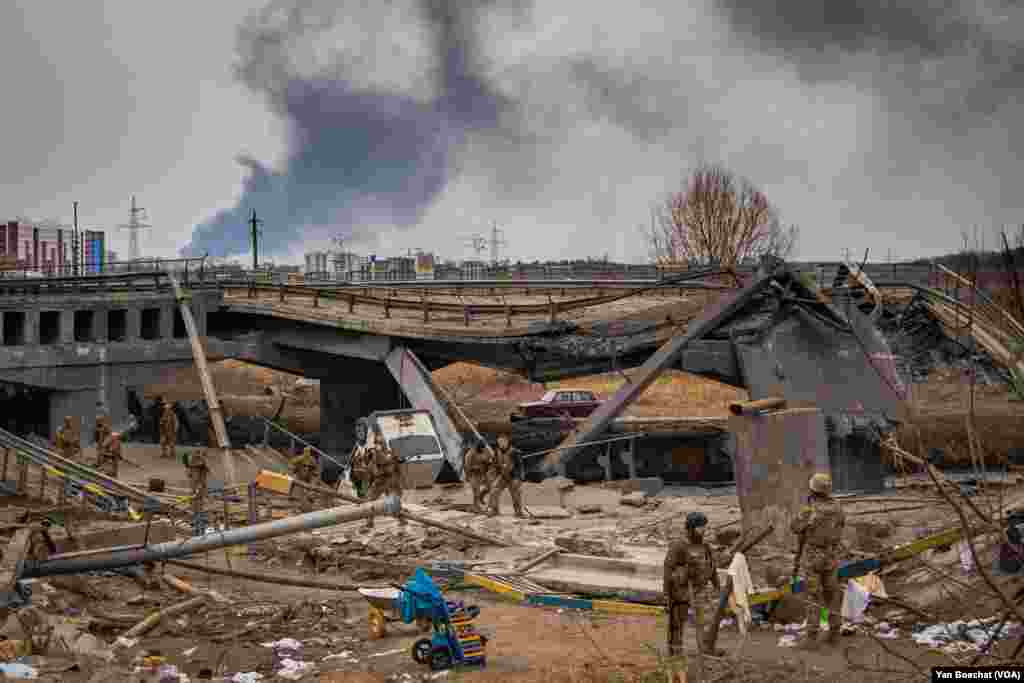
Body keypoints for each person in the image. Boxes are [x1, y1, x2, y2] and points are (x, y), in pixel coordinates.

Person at [791, 472, 846, 649]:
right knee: (833, 595)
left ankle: (811, 638)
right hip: (831, 556)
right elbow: (841, 525)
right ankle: (834, 634)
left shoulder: (809, 510)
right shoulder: (838, 507)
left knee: (813, 596)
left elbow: (794, 527)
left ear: (813, 489)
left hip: (814, 557)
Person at [663, 511, 720, 658]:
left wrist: (717, 586)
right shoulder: (679, 546)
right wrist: (666, 594)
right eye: (700, 527)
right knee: (677, 622)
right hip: (680, 591)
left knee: (705, 621)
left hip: (699, 589)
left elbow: (712, 567)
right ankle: (675, 651)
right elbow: (668, 569)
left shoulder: (705, 546)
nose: (703, 530)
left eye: (704, 527)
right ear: (691, 528)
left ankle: (705, 650)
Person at [364, 426, 405, 530]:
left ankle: (402, 519)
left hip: (389, 481)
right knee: (369, 501)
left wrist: (399, 483)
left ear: (384, 443)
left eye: (380, 442)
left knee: (393, 501)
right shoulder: (374, 454)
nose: (378, 445)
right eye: (376, 442)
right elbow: (371, 468)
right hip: (379, 482)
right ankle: (369, 522)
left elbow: (395, 468)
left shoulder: (390, 454)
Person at [487, 434, 524, 518]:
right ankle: (495, 510)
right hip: (503, 476)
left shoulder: (515, 452)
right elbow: (495, 464)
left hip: (513, 477)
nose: (501, 444)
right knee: (494, 490)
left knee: (516, 494)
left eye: (502, 442)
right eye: (499, 442)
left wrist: (519, 479)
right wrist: (493, 474)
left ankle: (518, 512)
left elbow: (520, 466)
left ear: (507, 442)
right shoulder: (497, 452)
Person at [463, 437, 494, 514]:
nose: (483, 449)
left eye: (484, 448)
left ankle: (481, 496)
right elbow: (467, 466)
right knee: (476, 491)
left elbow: (491, 459)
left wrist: (489, 462)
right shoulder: (470, 454)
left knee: (490, 487)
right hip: (473, 474)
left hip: (484, 473)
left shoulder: (486, 450)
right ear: (477, 447)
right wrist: (474, 468)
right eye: (481, 448)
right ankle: (476, 507)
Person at [348, 418, 373, 499]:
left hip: (370, 484)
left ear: (366, 431)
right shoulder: (356, 448)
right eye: (357, 432)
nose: (359, 434)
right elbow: (349, 467)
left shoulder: (371, 446)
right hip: (358, 484)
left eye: (361, 431)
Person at [290, 446, 319, 513]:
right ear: (304, 452)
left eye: (308, 452)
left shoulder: (312, 459)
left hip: (309, 476)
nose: (307, 453)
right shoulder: (300, 458)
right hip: (299, 475)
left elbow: (316, 469)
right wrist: (301, 459)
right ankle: (291, 496)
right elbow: (292, 462)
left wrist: (314, 475)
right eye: (306, 452)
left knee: (313, 484)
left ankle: (311, 496)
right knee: (293, 481)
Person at [185, 450, 210, 516]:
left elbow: (207, 468)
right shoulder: (193, 461)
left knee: (200, 493)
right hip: (196, 481)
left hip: (199, 481)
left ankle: (199, 507)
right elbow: (189, 471)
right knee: (195, 492)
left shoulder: (201, 461)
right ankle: (194, 508)